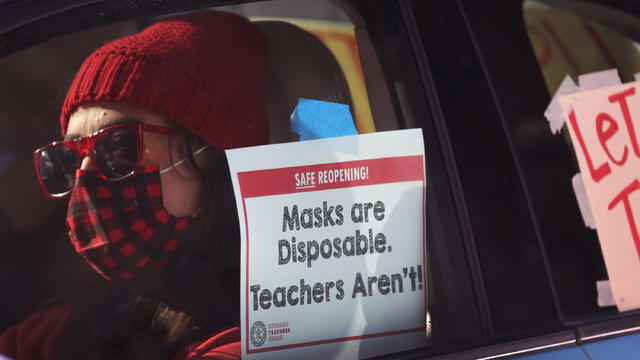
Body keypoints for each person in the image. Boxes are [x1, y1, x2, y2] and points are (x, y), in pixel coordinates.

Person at [0, 9, 268, 360]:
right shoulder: (54, 329)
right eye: (66, 158)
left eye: (119, 146)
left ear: (212, 157)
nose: (83, 178)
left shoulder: (251, 340)